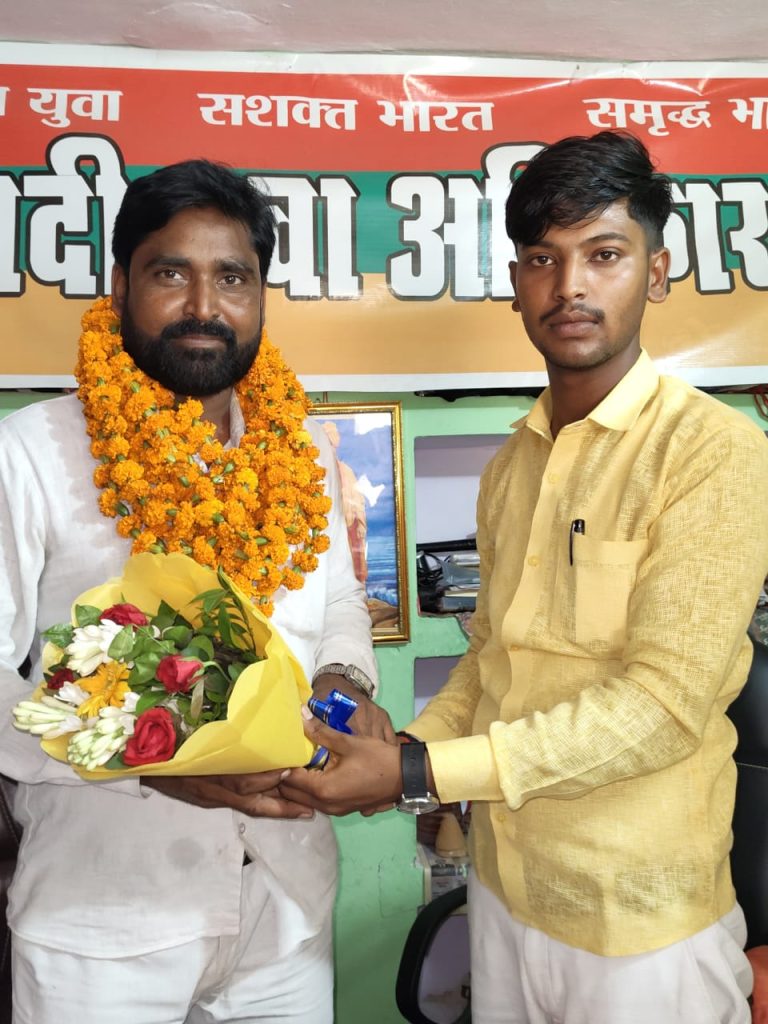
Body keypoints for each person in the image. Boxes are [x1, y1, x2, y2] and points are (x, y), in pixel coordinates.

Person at [282, 131, 768, 1023]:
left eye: (605, 255)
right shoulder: (512, 464)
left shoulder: (712, 452)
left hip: (640, 926)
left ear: (657, 274)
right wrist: (406, 747)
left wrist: (418, 770)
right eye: (543, 259)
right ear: (515, 285)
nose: (570, 285)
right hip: (504, 896)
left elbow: (662, 706)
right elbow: (490, 658)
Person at [0, 159, 393, 1024]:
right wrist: (149, 765)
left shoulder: (302, 451)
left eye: (233, 278)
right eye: (171, 274)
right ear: (120, 286)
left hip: (287, 908)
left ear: (261, 295)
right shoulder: (30, 453)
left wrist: (345, 683)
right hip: (104, 917)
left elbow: (334, 603)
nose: (204, 306)